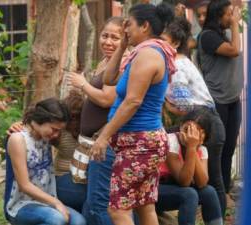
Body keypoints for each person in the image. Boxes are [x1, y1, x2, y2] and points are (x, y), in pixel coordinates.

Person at [91, 3, 176, 225]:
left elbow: (133, 101)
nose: (125, 29)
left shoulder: (148, 54)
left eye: (129, 25)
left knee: (118, 211)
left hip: (140, 143)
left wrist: (103, 136)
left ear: (145, 26)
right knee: (145, 207)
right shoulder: (141, 53)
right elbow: (109, 79)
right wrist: (122, 46)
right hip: (143, 143)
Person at [161, 17, 227, 215]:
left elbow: (183, 105)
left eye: (163, 39)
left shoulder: (178, 66)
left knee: (212, 182)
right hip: (204, 119)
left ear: (175, 43)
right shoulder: (180, 62)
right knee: (212, 181)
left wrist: (167, 106)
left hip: (203, 122)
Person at [66, 17, 126, 225]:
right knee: (91, 206)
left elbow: (107, 99)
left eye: (115, 38)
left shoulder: (120, 63)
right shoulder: (104, 61)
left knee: (98, 204)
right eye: (105, 35)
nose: (108, 42)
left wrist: (83, 84)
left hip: (104, 143)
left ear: (125, 40)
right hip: (91, 143)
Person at [4, 98, 86, 225]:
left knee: (79, 222)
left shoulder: (45, 137)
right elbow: (24, 185)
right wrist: (56, 203)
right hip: (21, 205)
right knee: (56, 219)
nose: (56, 135)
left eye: (59, 131)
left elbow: (52, 107)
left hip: (45, 201)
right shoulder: (18, 139)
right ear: (41, 119)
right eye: (54, 129)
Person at [197, 0, 243, 208]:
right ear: (218, 16)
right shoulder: (207, 36)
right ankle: (217, 194)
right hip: (217, 100)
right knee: (217, 148)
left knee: (230, 146)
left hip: (232, 99)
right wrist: (235, 24)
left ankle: (225, 188)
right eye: (227, 14)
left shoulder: (221, 34)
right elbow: (234, 50)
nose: (230, 17)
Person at [157, 108, 223, 225]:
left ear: (203, 135)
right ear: (181, 125)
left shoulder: (202, 149)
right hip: (156, 190)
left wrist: (195, 148)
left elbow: (202, 183)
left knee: (209, 192)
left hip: (175, 189)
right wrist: (191, 147)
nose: (189, 135)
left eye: (195, 133)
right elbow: (184, 182)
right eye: (187, 129)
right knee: (189, 194)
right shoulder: (171, 142)